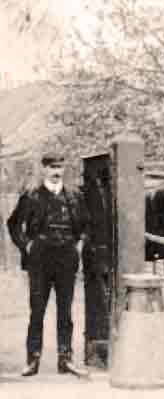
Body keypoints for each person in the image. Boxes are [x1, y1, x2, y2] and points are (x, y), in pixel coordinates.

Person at [7, 152, 91, 377]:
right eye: (52, 167)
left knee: (65, 311)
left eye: (60, 167)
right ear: (43, 169)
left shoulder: (74, 195)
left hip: (66, 257)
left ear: (64, 169)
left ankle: (66, 359)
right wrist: (26, 246)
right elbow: (13, 224)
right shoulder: (32, 195)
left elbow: (85, 225)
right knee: (37, 310)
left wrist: (79, 245)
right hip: (40, 259)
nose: (56, 172)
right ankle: (32, 360)